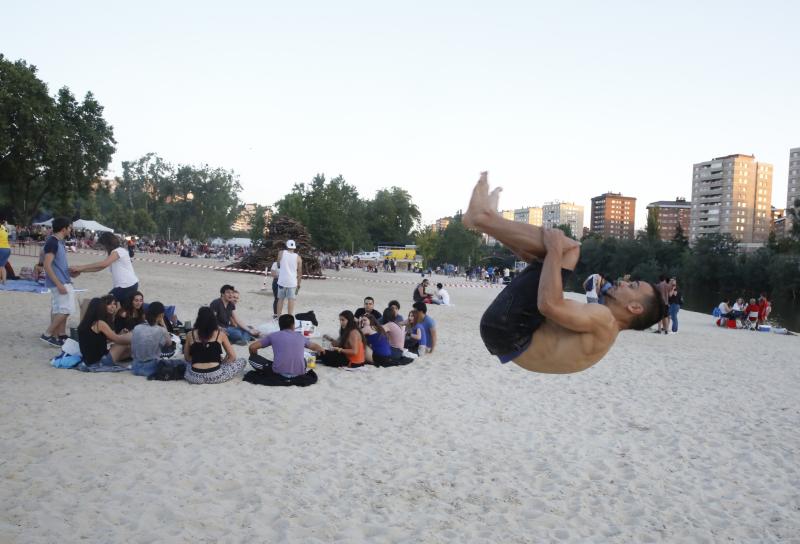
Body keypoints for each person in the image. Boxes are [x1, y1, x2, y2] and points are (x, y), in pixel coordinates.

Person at [462, 172, 664, 374]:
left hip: (511, 330)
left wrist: (555, 249)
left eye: (633, 286)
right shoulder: (605, 332)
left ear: (635, 307)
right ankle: (486, 220)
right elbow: (540, 272)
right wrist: (550, 254)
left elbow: (548, 304)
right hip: (506, 338)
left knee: (570, 249)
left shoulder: (604, 318)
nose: (623, 283)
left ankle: (483, 218)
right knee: (545, 260)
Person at [246, 314, 322, 386]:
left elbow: (252, 347)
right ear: (293, 325)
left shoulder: (273, 335)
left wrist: (254, 356)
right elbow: (314, 346)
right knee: (308, 356)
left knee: (252, 359)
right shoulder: (300, 336)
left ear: (279, 325)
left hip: (279, 373)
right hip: (299, 373)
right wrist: (321, 349)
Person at [184, 306, 247, 384]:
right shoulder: (220, 334)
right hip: (215, 376)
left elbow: (187, 358)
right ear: (213, 319)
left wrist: (200, 358)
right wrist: (222, 363)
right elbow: (232, 356)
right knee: (243, 361)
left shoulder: (190, 334)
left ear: (198, 319)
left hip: (194, 377)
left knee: (187, 364)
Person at [41, 217, 75, 348]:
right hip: (59, 282)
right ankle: (48, 334)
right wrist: (59, 284)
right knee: (66, 309)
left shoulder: (57, 242)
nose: (70, 229)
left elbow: (52, 262)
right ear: (63, 229)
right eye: (69, 227)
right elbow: (47, 265)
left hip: (62, 279)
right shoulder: (53, 242)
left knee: (59, 309)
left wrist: (70, 272)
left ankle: (59, 335)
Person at [77, 295, 132, 371]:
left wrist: (120, 334)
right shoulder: (99, 323)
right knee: (123, 344)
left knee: (129, 351)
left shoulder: (84, 324)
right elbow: (117, 339)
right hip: (100, 360)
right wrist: (133, 337)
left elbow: (96, 341)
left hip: (88, 360)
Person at [131, 301, 182, 378]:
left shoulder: (136, 327)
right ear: (161, 315)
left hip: (135, 366)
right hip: (150, 367)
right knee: (180, 363)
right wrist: (163, 323)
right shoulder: (161, 330)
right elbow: (169, 343)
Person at [276, 239, 303, 317]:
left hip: (282, 281)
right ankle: (289, 317)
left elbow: (278, 264)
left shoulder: (281, 253)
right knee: (291, 300)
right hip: (292, 282)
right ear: (294, 247)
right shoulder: (298, 257)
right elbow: (300, 272)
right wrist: (299, 283)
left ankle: (278, 317)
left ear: (286, 246)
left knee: (280, 300)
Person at [0, 214, 10, 284]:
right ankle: (4, 281)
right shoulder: (4, 228)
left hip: (1, 248)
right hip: (7, 249)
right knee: (2, 266)